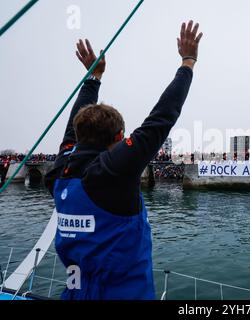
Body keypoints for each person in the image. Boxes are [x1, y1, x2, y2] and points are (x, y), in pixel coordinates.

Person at [44, 20, 203, 300]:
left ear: (80, 135)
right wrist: (188, 62)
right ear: (119, 136)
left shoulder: (59, 172)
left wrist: (94, 78)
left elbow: (73, 128)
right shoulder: (111, 172)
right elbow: (162, 118)